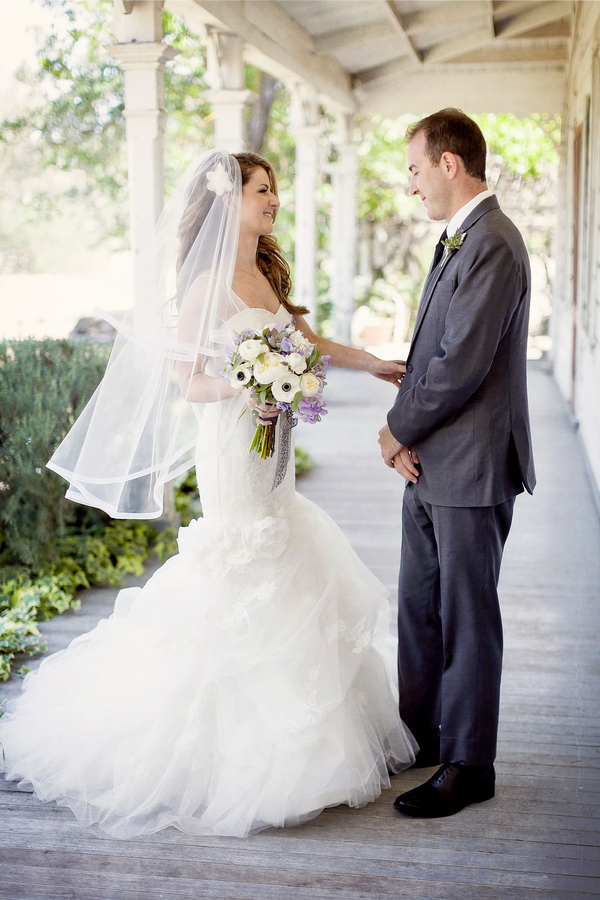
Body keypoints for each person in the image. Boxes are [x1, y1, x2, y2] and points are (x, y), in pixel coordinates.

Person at [0, 150, 416, 839]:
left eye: (275, 189)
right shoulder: (203, 287)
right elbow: (191, 383)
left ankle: (311, 742)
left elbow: (305, 342)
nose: (273, 199)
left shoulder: (264, 273)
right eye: (261, 189)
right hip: (234, 445)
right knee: (241, 561)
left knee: (289, 546)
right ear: (229, 201)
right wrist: (253, 387)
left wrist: (370, 362)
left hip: (273, 449)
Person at [378, 109, 535, 819]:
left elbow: (463, 364)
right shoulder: (459, 240)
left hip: (471, 466)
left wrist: (393, 428)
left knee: (467, 616)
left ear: (448, 164)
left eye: (414, 168)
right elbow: (432, 350)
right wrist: (410, 433)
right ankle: (429, 737)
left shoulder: (494, 242)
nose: (410, 185)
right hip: (431, 461)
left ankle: (471, 765)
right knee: (420, 609)